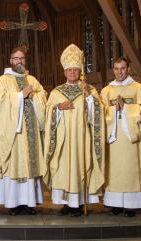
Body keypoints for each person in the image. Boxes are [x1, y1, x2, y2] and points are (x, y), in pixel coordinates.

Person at [43, 44, 105, 216]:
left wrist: (90, 98)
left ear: (79, 72)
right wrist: (58, 108)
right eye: (69, 70)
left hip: (81, 140)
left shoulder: (89, 90)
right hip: (62, 141)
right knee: (62, 170)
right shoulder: (56, 92)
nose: (72, 73)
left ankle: (78, 204)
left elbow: (97, 115)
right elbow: (48, 113)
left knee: (80, 168)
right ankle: (66, 204)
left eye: (75, 70)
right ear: (64, 72)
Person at [0, 46, 47, 215]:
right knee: (15, 165)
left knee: (30, 166)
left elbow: (43, 97)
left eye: (22, 58)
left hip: (31, 133)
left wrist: (34, 96)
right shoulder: (2, 80)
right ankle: (13, 204)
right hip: (14, 134)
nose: (19, 61)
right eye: (16, 58)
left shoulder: (32, 79)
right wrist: (20, 96)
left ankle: (30, 203)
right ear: (10, 61)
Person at [100, 57, 141, 217]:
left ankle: (132, 205)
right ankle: (115, 204)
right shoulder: (107, 90)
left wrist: (125, 108)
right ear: (113, 70)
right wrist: (113, 110)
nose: (119, 72)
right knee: (114, 170)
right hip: (114, 137)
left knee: (131, 169)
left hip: (131, 137)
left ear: (129, 69)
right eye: (117, 68)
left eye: (123, 68)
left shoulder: (138, 88)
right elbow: (101, 113)